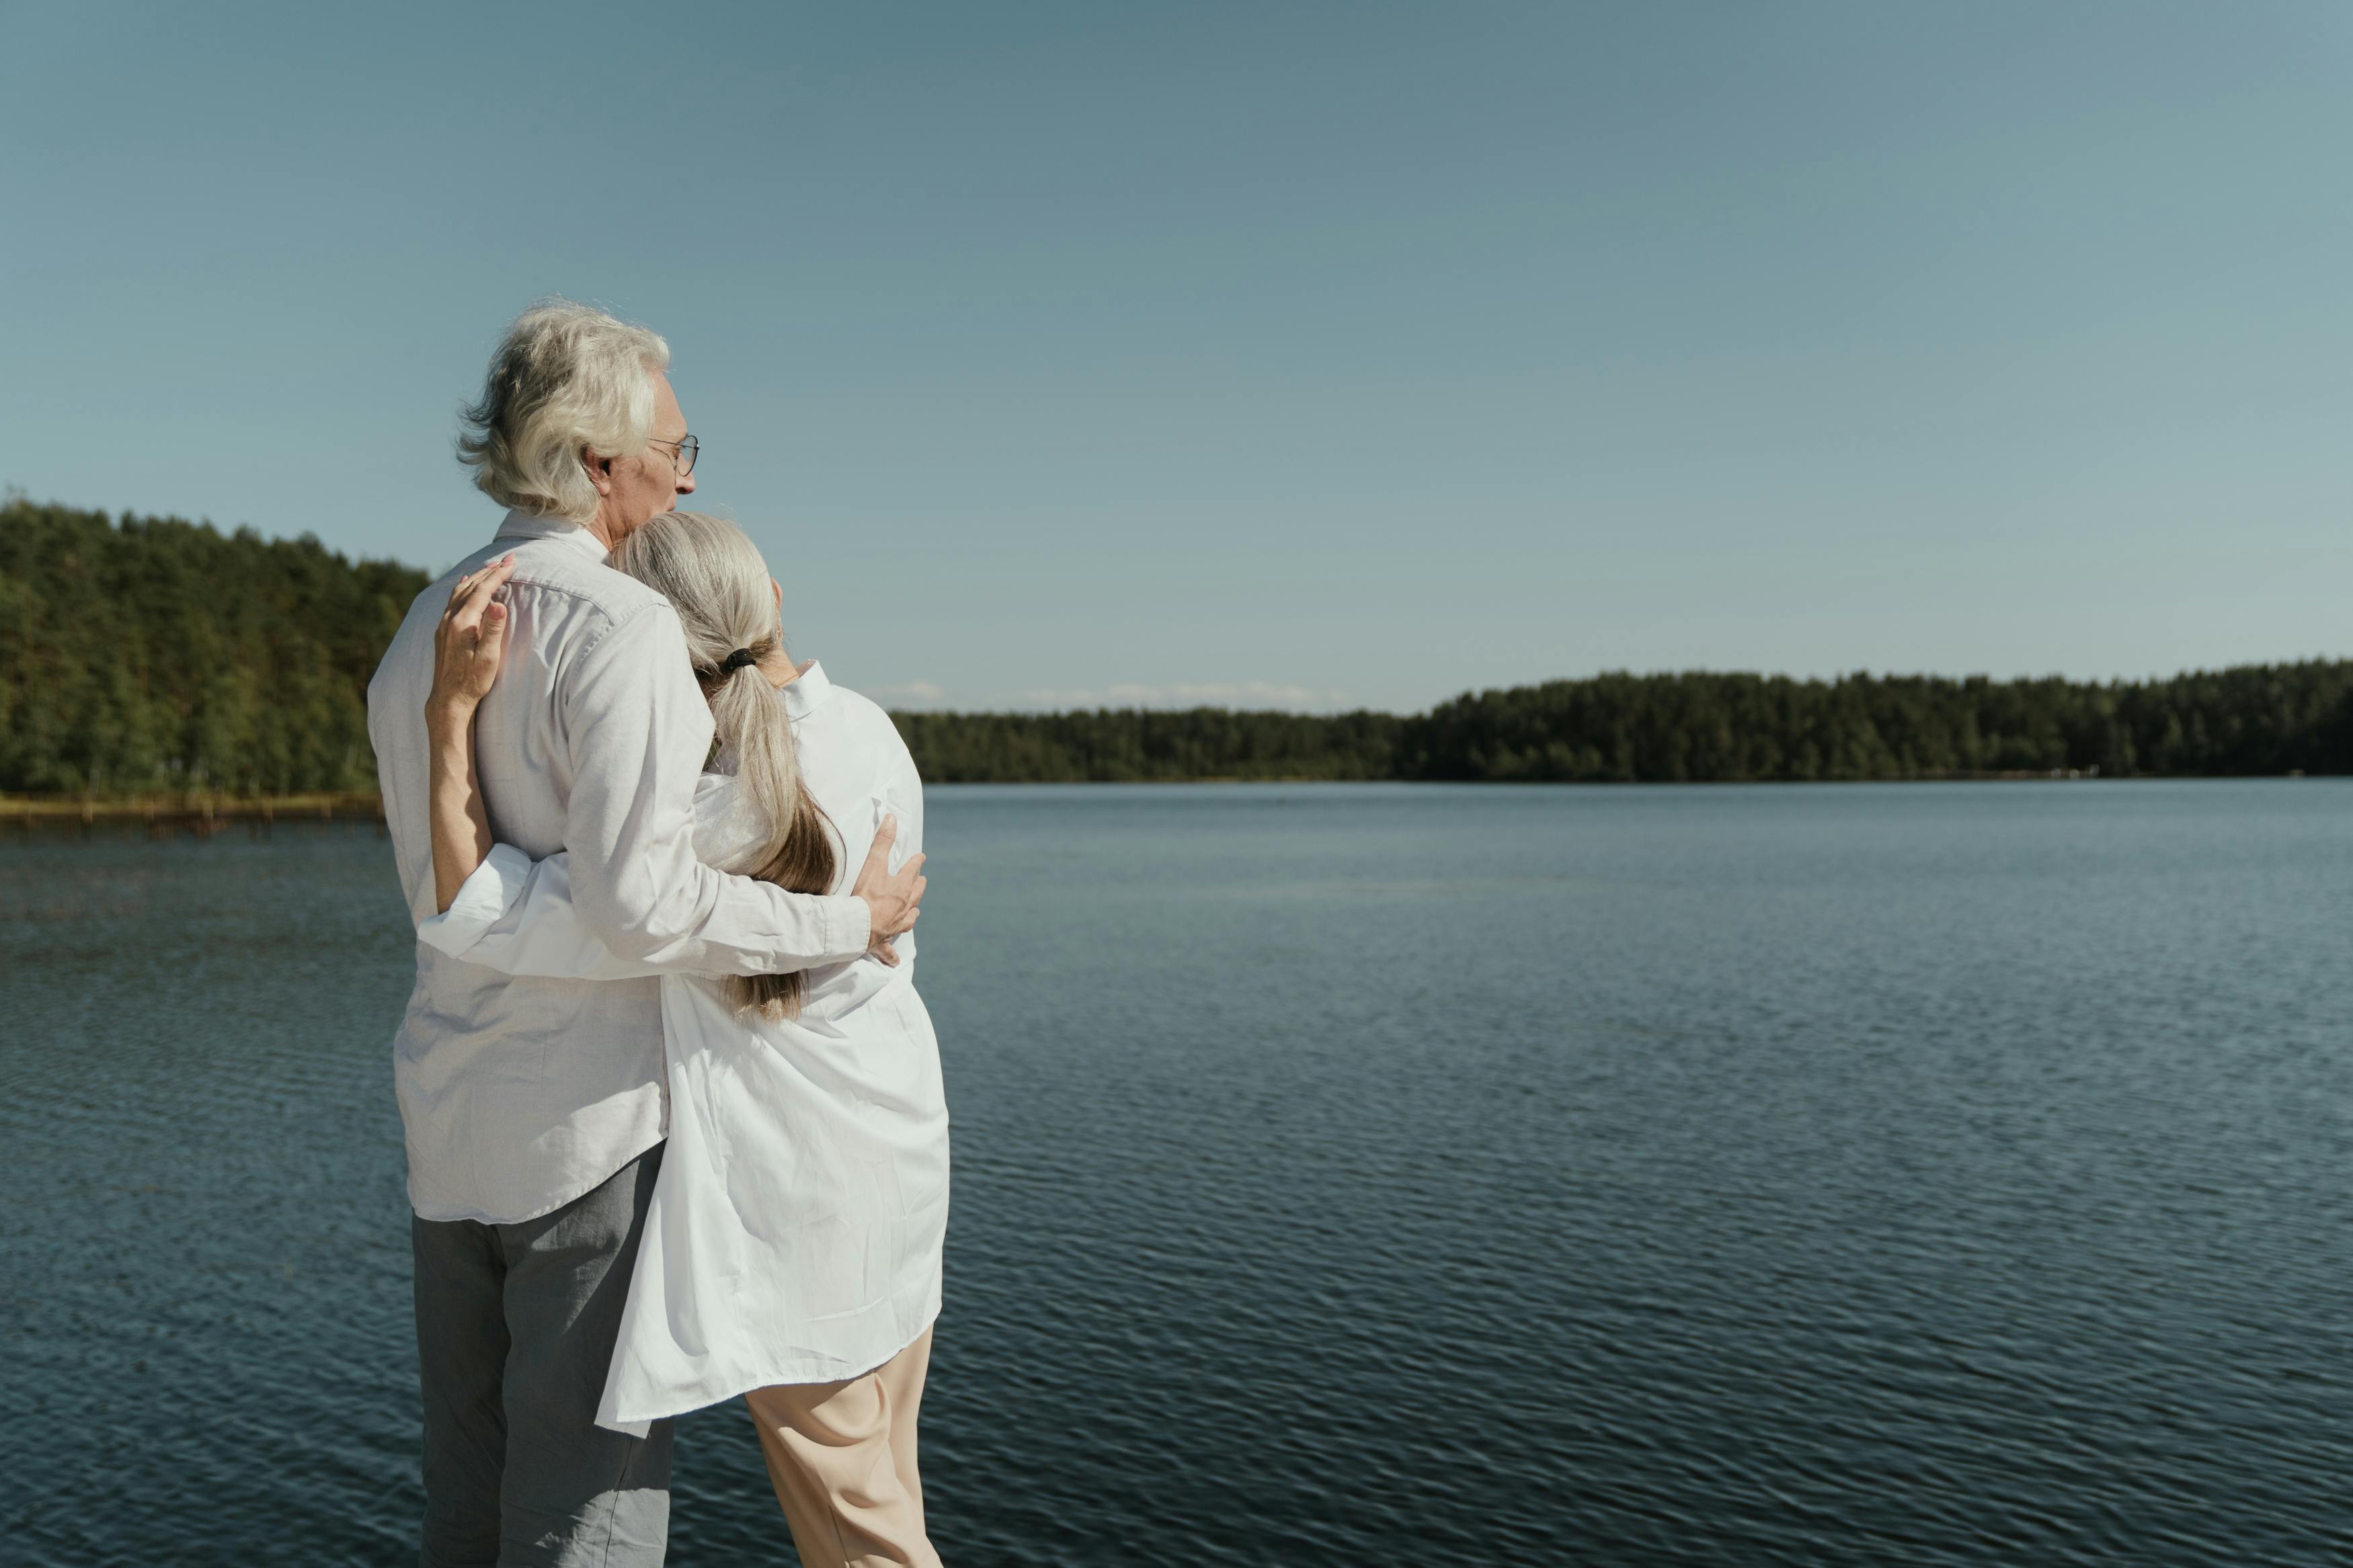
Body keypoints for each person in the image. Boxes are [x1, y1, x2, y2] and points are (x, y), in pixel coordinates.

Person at [366, 301, 926, 1567]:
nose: (685, 472)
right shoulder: (621, 630)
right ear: (592, 463)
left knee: (467, 1487)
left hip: (446, 1124)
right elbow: (645, 906)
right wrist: (849, 920)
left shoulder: (420, 625)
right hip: (587, 1140)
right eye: (674, 447)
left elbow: (444, 897)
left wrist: (488, 898)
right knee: (587, 1512)